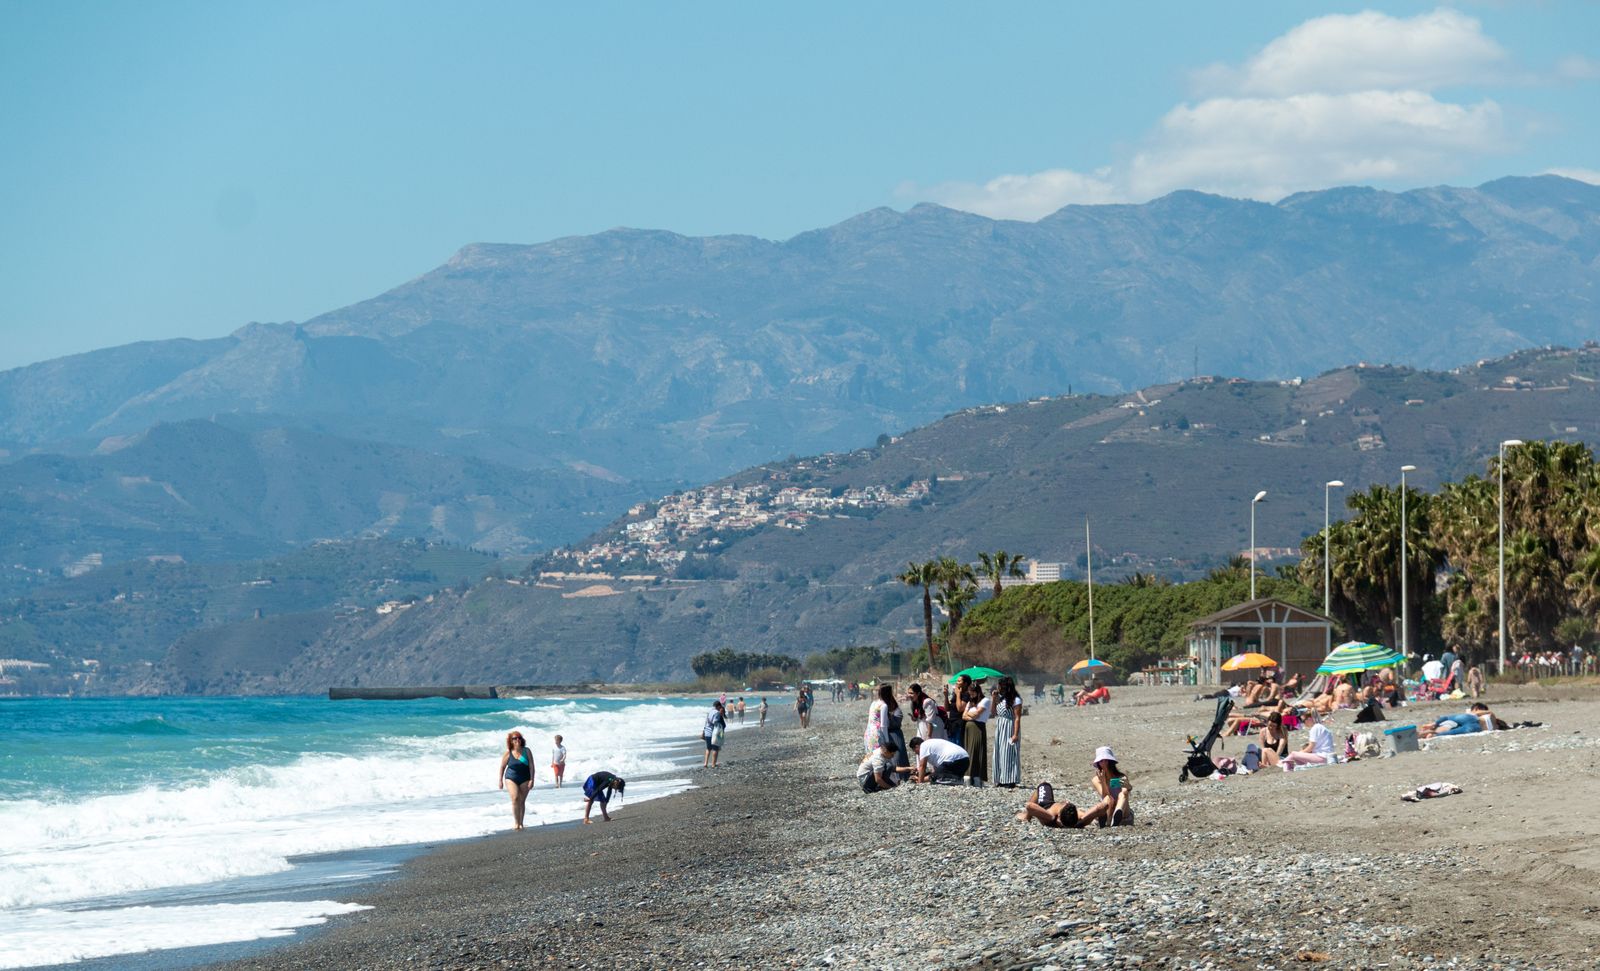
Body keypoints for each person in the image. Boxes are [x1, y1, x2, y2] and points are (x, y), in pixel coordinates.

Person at [1014, 782, 1108, 829]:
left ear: (1058, 816)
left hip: (1047, 807)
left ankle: (1026, 817)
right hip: (1075, 821)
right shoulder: (1080, 821)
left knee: (1043, 785)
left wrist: (1051, 817)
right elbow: (1102, 806)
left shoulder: (1050, 818)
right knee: (1084, 814)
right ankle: (1095, 820)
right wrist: (1085, 816)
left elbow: (1029, 806)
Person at [991, 676, 1023, 788]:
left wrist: (1015, 734)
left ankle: (1010, 780)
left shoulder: (1016, 700)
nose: (998, 687)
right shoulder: (1000, 699)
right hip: (1000, 727)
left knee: (1009, 753)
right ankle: (1000, 778)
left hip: (1010, 726)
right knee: (999, 752)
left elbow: (1017, 717)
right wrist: (993, 699)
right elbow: (993, 713)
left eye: (999, 685)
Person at [1088, 746, 1133, 826]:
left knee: (1122, 794)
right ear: (1098, 763)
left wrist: (1126, 786)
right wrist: (1103, 781)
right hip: (1109, 809)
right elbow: (1104, 795)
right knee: (1108, 798)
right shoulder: (1096, 780)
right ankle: (1109, 820)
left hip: (1124, 812)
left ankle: (1117, 815)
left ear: (1111, 762)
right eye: (1101, 761)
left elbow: (1125, 791)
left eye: (1106, 761)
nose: (1104, 763)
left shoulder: (1121, 777)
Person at [497, 730, 533, 830]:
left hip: (525, 777)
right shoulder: (508, 753)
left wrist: (532, 779)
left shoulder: (527, 751)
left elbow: (531, 765)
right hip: (511, 777)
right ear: (511, 741)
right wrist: (500, 780)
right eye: (514, 738)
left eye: (519, 738)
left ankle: (521, 823)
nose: (517, 740)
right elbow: (502, 767)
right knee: (515, 798)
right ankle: (516, 823)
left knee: (522, 801)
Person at [961, 680, 991, 786]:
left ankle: (977, 777)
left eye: (972, 692)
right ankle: (968, 776)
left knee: (978, 750)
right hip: (969, 728)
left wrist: (969, 714)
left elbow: (977, 715)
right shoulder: (970, 702)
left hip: (978, 727)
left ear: (978, 691)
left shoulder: (985, 700)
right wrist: (971, 714)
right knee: (969, 750)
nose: (971, 694)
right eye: (970, 692)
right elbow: (963, 716)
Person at [1417, 703, 1504, 738]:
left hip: (1472, 718)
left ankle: (1434, 724)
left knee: (1447, 718)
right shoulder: (1495, 727)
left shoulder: (1491, 714)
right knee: (1444, 734)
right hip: (1475, 728)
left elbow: (1475, 714)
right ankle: (1431, 735)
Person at [702, 700, 727, 768]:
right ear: (718, 706)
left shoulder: (709, 711)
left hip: (707, 731)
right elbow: (715, 722)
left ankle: (705, 763)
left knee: (708, 748)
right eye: (720, 707)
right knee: (715, 748)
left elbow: (706, 722)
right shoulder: (717, 712)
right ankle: (713, 764)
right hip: (713, 733)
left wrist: (704, 731)